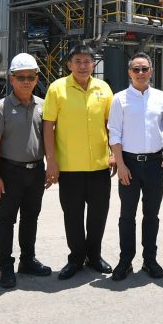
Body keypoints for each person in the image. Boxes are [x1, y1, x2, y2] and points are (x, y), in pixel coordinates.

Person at [43, 43, 115, 280]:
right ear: (69, 65)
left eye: (87, 61)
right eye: (78, 62)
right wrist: (51, 161)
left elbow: (111, 125)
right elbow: (48, 126)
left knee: (98, 215)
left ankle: (94, 256)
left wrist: (113, 154)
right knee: (72, 216)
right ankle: (75, 258)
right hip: (69, 167)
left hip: (99, 166)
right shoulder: (57, 89)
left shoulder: (103, 89)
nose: (83, 66)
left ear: (94, 64)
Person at [0, 53, 54, 289]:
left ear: (36, 79)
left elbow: (48, 139)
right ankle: (6, 266)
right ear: (11, 79)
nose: (26, 81)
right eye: (21, 77)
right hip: (10, 171)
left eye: (30, 77)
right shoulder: (0, 108)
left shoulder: (43, 106)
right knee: (6, 219)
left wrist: (49, 165)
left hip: (35, 171)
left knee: (30, 217)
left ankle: (27, 260)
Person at [107, 52, 163, 281]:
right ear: (129, 72)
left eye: (144, 69)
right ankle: (125, 260)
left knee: (151, 215)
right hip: (129, 164)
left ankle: (149, 259)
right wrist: (121, 164)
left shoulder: (162, 98)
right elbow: (114, 133)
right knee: (127, 215)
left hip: (155, 164)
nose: (141, 73)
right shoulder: (120, 99)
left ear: (151, 71)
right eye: (136, 69)